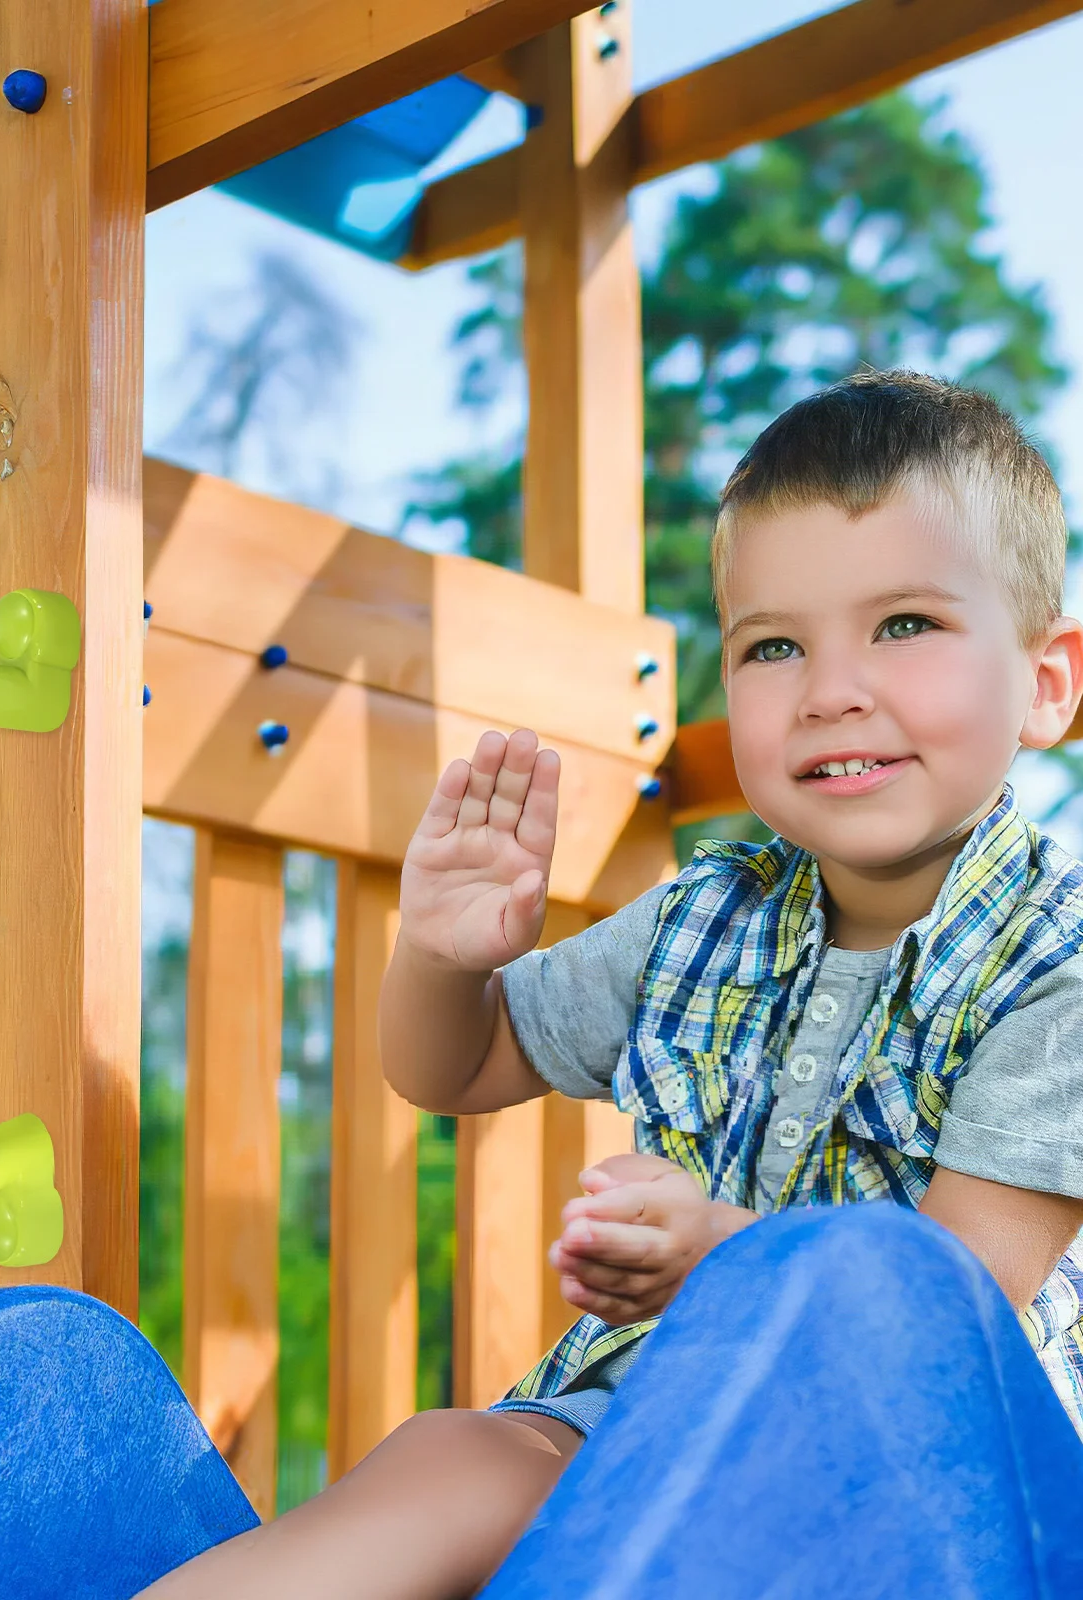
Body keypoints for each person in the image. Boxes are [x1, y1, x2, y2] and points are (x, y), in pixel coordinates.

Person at [139, 371, 1083, 1599]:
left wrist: (722, 1262)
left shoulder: (1055, 969)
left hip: (930, 1501)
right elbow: (454, 1064)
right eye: (772, 644)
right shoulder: (703, 917)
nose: (829, 687)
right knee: (460, 1453)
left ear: (1049, 682)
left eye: (903, 625)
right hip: (645, 1425)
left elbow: (939, 1314)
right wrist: (443, 953)